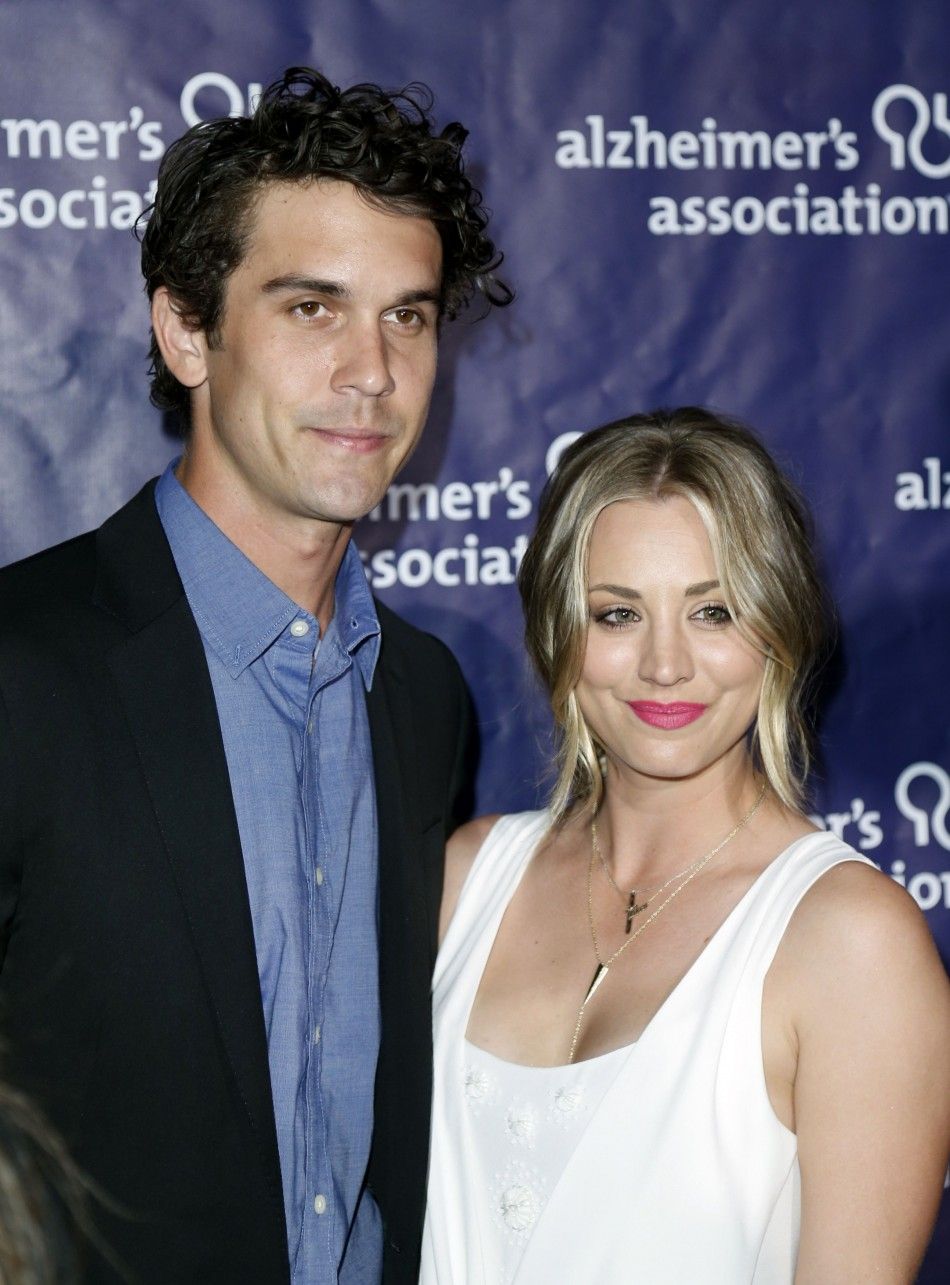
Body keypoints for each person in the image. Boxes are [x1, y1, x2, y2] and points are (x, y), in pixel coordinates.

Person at [0, 67, 510, 1284]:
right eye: (310, 308)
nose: (373, 373)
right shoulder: (23, 666)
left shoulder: (422, 697)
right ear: (187, 329)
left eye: (408, 315)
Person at [422, 407, 950, 1283]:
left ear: (777, 628)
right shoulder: (467, 876)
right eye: (619, 613)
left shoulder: (852, 941)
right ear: (560, 633)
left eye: (713, 610)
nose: (666, 664)